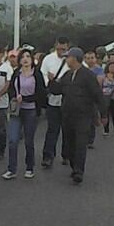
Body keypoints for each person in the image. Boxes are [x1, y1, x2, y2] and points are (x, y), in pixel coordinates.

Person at [49, 48, 103, 184]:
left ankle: (79, 171)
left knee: (80, 143)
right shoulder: (67, 75)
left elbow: (98, 95)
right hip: (67, 115)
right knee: (69, 143)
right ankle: (74, 166)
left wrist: (102, 114)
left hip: (83, 115)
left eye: (68, 57)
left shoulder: (88, 75)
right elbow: (57, 91)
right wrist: (51, 81)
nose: (66, 60)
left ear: (75, 58)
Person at [3, 49, 46, 180]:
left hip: (31, 110)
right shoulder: (17, 73)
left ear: (32, 59)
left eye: (28, 56)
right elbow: (11, 89)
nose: (25, 59)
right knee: (13, 140)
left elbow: (42, 94)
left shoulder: (37, 74)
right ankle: (11, 169)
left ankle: (29, 167)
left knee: (28, 140)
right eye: (23, 57)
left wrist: (26, 99)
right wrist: (14, 97)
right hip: (17, 110)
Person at [39, 37, 71, 167]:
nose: (60, 51)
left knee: (68, 130)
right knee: (52, 129)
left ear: (68, 47)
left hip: (68, 101)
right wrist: (49, 80)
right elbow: (42, 74)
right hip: (53, 99)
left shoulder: (72, 59)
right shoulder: (48, 59)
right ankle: (48, 156)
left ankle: (67, 155)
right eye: (58, 49)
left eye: (63, 49)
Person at [85, 50, 104, 148]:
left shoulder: (99, 69)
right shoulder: (83, 69)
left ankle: (90, 140)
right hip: (83, 97)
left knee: (92, 118)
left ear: (95, 59)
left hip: (93, 97)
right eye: (88, 58)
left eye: (92, 58)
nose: (90, 60)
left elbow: (99, 83)